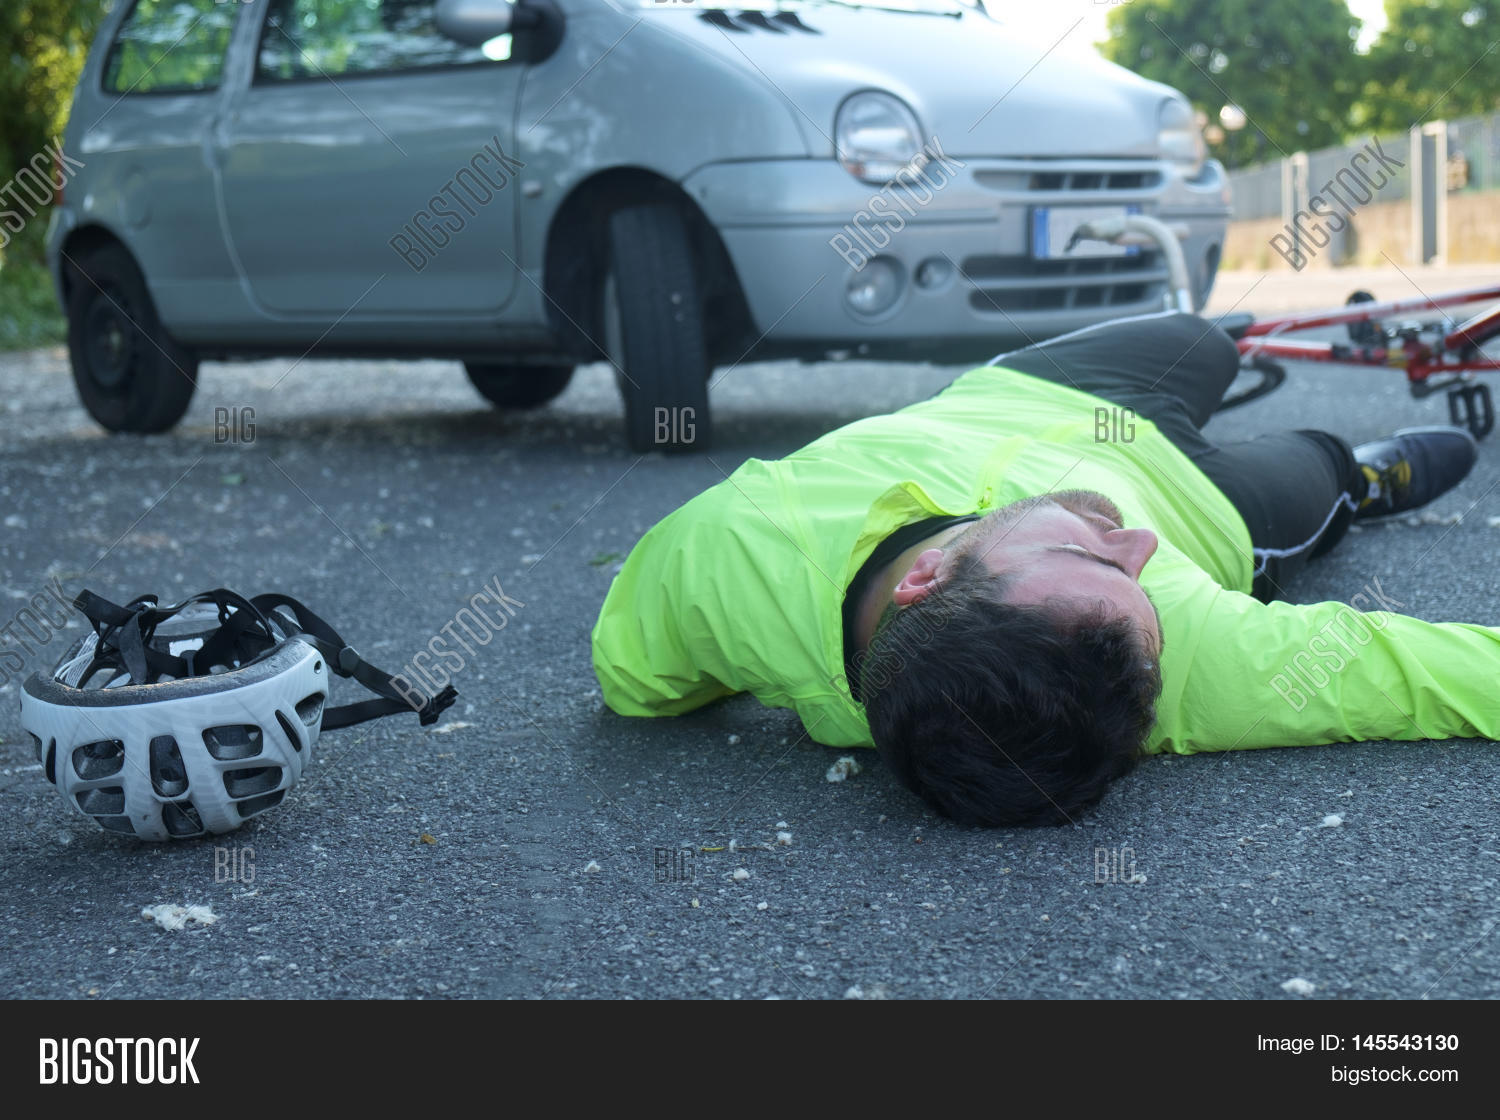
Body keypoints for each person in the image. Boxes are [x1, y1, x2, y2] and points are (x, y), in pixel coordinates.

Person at [590, 311, 1487, 827]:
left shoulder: (725, 552)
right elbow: (1411, 670)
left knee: (1204, 338)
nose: (1137, 546)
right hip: (1209, 496)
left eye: (1078, 553)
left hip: (1035, 391)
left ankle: (1224, 342)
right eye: (1131, 582)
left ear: (927, 578)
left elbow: (633, 679)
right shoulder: (1157, 667)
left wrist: (762, 666)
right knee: (1318, 458)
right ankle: (1364, 478)